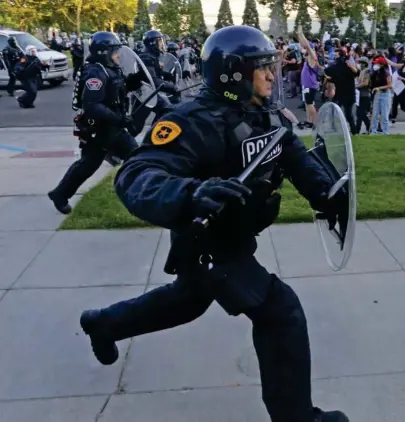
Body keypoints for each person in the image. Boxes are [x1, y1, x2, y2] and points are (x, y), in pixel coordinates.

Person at [77, 25, 349, 422]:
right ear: (233, 73)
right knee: (280, 311)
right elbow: (136, 174)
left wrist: (327, 193)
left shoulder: (260, 112)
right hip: (207, 243)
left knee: (187, 301)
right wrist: (188, 194)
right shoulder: (191, 121)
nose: (272, 75)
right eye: (262, 68)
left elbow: (291, 153)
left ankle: (102, 324)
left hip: (233, 238)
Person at [48, 32, 141, 215]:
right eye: (114, 51)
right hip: (100, 130)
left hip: (112, 129)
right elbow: (92, 106)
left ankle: (60, 193)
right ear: (102, 52)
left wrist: (131, 83)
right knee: (91, 165)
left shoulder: (110, 68)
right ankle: (60, 194)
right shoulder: (95, 72)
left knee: (133, 158)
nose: (118, 55)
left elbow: (115, 92)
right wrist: (118, 119)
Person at [132, 30, 179, 135]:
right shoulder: (146, 57)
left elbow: (155, 72)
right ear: (152, 43)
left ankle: (154, 134)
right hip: (144, 95)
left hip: (150, 93)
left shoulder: (152, 56)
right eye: (159, 41)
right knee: (135, 127)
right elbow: (151, 79)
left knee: (166, 110)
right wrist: (170, 86)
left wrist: (166, 74)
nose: (162, 44)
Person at [296, 26, 323, 130]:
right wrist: (299, 36)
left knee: (310, 104)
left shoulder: (313, 58)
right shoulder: (308, 59)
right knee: (307, 104)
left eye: (307, 50)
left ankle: (316, 123)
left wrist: (301, 33)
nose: (305, 50)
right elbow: (303, 45)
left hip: (310, 85)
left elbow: (306, 45)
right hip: (306, 85)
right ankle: (309, 121)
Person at [324, 47, 358, 129]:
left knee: (333, 109)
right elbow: (356, 73)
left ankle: (334, 127)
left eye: (335, 55)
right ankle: (354, 130)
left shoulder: (335, 67)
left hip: (340, 93)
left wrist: (328, 78)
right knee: (349, 114)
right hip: (350, 94)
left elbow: (327, 71)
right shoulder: (349, 67)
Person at [369, 56, 392, 135]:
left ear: (382, 65)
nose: (375, 65)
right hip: (377, 94)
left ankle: (385, 132)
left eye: (377, 64)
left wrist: (379, 88)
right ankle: (374, 131)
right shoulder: (376, 72)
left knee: (384, 114)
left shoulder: (386, 73)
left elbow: (390, 85)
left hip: (385, 94)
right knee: (375, 114)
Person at [354, 57, 372, 135]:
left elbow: (365, 83)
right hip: (360, 95)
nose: (359, 64)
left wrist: (356, 86)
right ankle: (359, 129)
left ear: (365, 64)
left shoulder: (367, 72)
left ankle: (364, 128)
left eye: (360, 63)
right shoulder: (361, 71)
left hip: (365, 95)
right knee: (360, 113)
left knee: (360, 113)